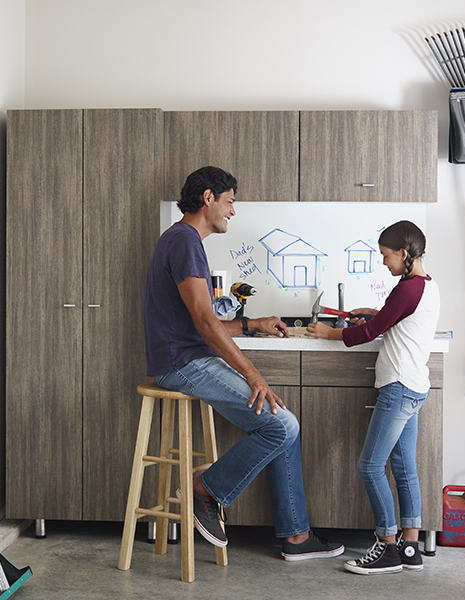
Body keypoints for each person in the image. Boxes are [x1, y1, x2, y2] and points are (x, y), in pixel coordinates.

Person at [144, 165, 345, 561]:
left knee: (281, 420)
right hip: (183, 363)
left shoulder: (182, 240)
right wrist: (254, 375)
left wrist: (252, 323)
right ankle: (206, 490)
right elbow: (203, 322)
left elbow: (202, 319)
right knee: (282, 424)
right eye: (230, 201)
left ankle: (296, 537)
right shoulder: (185, 241)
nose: (233, 211)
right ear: (208, 198)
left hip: (184, 356)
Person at [306, 220, 440, 575]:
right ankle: (410, 546)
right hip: (414, 387)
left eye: (385, 256)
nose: (384, 263)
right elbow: (391, 319)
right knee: (404, 468)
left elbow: (368, 333)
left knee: (369, 466)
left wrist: (326, 333)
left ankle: (387, 545)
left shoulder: (407, 289)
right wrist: (376, 312)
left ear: (403, 253)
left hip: (397, 388)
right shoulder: (425, 286)